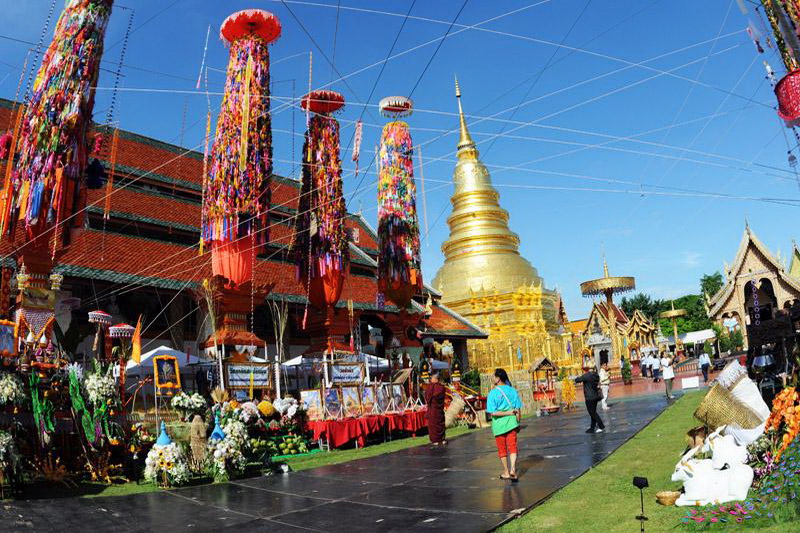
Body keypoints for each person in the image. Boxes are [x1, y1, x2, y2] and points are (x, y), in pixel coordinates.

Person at [487, 368, 522, 481]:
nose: (492, 378)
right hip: (512, 423)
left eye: (493, 376)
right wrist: (518, 422)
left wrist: (506, 413)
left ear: (498, 378)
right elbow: (518, 409)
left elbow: (493, 413)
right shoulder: (512, 391)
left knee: (502, 449)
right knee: (513, 447)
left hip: (499, 425)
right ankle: (513, 469)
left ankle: (506, 471)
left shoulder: (492, 393)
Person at [575, 366, 605, 434]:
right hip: (595, 396)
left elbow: (577, 380)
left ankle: (601, 426)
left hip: (589, 397)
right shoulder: (596, 375)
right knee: (593, 413)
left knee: (592, 413)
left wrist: (578, 376)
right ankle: (592, 428)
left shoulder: (587, 375)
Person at [424, 371, 447, 446]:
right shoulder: (441, 387)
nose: (431, 379)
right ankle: (442, 439)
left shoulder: (432, 387)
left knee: (434, 425)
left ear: (436, 379)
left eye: (432, 378)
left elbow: (427, 397)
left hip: (434, 409)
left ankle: (435, 440)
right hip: (438, 409)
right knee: (439, 424)